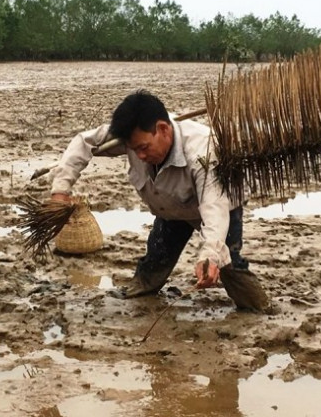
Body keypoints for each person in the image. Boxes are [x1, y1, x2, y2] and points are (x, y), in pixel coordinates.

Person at [50, 90, 249, 298]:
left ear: (163, 129)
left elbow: (214, 207)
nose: (140, 156)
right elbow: (84, 142)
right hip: (170, 206)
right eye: (133, 150)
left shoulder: (203, 152)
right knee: (155, 261)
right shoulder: (132, 135)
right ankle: (141, 290)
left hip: (217, 205)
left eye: (144, 148)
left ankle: (254, 304)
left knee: (229, 265)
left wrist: (210, 255)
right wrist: (60, 191)